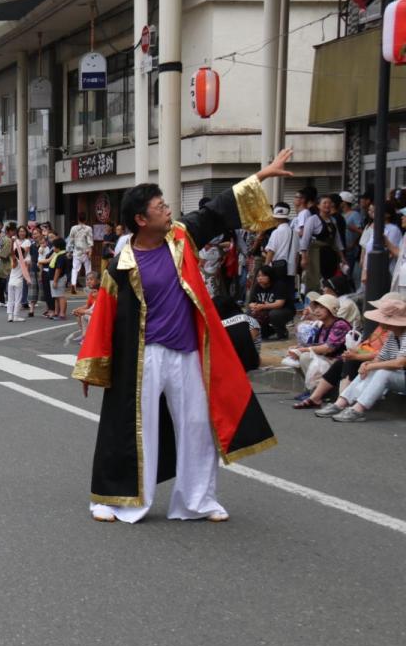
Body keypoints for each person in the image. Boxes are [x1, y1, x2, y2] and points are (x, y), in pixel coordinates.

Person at [73, 148, 290, 524]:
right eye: (159, 205)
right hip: (144, 357)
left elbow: (217, 210)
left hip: (188, 352)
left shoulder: (181, 238)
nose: (167, 207)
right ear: (141, 219)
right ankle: (117, 499)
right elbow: (104, 316)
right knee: (132, 427)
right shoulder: (122, 265)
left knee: (196, 426)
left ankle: (197, 501)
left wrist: (263, 175)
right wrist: (94, 364)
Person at [316, 297, 406, 422]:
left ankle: (358, 409)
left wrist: (371, 366)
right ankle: (341, 403)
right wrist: (367, 365)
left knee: (383, 372)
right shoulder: (393, 334)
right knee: (370, 368)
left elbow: (400, 362)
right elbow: (381, 357)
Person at [284, 292, 351, 396]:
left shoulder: (340, 325)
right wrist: (298, 348)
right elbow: (317, 344)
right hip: (327, 358)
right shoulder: (323, 325)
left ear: (331, 309)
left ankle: (316, 392)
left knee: (305, 357)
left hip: (338, 361)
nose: (316, 311)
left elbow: (328, 348)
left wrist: (303, 350)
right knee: (294, 357)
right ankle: (311, 388)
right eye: (316, 307)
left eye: (322, 307)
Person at [6, 231, 30, 322]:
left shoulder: (15, 261)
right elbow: (26, 272)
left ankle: (10, 316)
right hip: (19, 282)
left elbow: (11, 252)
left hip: (11, 282)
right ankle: (15, 316)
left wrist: (12, 242)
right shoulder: (24, 262)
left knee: (10, 299)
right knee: (17, 300)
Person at [67, 213, 94, 293]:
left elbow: (70, 240)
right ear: (85, 219)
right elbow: (90, 241)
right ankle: (88, 286)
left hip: (76, 251)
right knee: (88, 269)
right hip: (86, 251)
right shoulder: (88, 228)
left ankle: (73, 283)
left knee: (75, 269)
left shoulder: (73, 228)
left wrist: (69, 251)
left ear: (78, 219)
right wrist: (90, 251)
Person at [48, 237, 69, 319]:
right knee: (56, 296)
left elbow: (58, 269)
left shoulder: (61, 256)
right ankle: (57, 313)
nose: (53, 248)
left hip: (59, 279)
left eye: (54, 246)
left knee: (60, 296)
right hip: (56, 278)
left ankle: (62, 314)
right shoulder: (59, 255)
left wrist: (55, 281)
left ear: (58, 247)